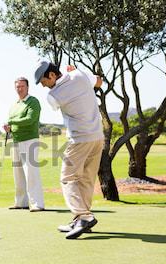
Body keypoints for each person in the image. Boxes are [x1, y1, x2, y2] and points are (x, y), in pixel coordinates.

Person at [34, 61, 104, 239]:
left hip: (79, 139)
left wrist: (69, 78)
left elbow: (57, 103)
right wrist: (77, 73)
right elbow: (99, 82)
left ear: (51, 75)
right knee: (86, 179)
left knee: (67, 178)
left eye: (43, 81)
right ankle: (80, 219)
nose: (43, 85)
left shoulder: (53, 95)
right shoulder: (79, 75)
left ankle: (84, 216)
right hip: (98, 137)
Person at [3, 77, 45, 212]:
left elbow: (30, 119)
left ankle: (37, 204)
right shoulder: (15, 105)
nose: (19, 89)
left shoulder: (33, 102)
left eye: (22, 86)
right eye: (17, 87)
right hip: (16, 140)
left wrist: (11, 121)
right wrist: (9, 128)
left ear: (27, 87)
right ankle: (21, 202)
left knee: (31, 172)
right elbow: (13, 123)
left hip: (30, 140)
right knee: (18, 173)